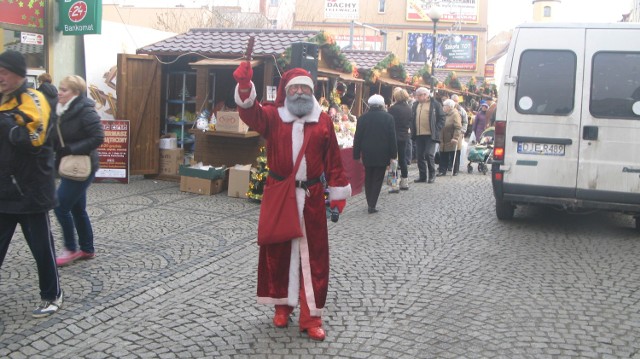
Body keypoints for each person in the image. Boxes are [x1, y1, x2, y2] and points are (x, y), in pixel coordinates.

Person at [233, 63, 351, 341]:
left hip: (310, 198)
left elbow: (333, 157)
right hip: (281, 194)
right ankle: (282, 306)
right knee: (279, 252)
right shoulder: (274, 116)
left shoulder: (322, 120)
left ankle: (312, 317)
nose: (299, 92)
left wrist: (338, 192)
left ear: (311, 92)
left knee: (315, 258)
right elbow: (250, 112)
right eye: (294, 88)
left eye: (304, 88)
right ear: (287, 92)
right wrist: (245, 86)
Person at [0, 50, 63, 318]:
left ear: (18, 74)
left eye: (4, 71)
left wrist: (7, 124)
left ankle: (52, 295)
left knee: (41, 249)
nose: (0, 77)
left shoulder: (34, 99)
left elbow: (34, 140)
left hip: (31, 191)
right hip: (4, 191)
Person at [52, 75, 104, 267]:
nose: (59, 92)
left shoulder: (85, 110)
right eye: (60, 88)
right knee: (76, 208)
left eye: (64, 89)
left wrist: (72, 149)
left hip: (83, 165)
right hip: (70, 163)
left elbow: (98, 137)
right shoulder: (62, 110)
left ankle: (71, 249)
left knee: (59, 205)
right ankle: (87, 249)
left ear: (75, 92)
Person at [353, 94, 398, 212]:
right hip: (382, 152)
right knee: (378, 178)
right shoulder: (388, 118)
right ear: (382, 105)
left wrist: (356, 155)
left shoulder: (362, 118)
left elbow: (357, 137)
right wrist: (393, 154)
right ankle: (372, 204)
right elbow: (392, 138)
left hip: (367, 152)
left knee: (368, 177)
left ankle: (369, 201)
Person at [410, 87, 445, 183]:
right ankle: (422, 176)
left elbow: (442, 118)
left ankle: (432, 175)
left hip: (430, 134)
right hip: (418, 134)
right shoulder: (415, 104)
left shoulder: (435, 104)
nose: (417, 98)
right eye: (416, 96)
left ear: (425, 95)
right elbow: (412, 117)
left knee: (428, 154)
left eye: (418, 96)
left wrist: (436, 129)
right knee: (419, 156)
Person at [387, 87, 412, 190]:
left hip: (394, 136)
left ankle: (393, 184)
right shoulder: (409, 109)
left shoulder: (393, 109)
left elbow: (389, 123)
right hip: (404, 136)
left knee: (393, 159)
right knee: (402, 159)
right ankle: (404, 182)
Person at [437, 99, 462, 176]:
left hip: (452, 137)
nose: (443, 107)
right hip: (443, 138)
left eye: (444, 106)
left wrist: (455, 137)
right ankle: (442, 170)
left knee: (454, 154)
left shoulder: (455, 114)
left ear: (450, 107)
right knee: (443, 154)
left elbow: (458, 127)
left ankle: (455, 170)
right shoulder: (444, 114)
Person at [449, 94, 468, 174]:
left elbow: (465, 122)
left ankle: (455, 168)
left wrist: (462, 131)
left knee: (457, 151)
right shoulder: (448, 108)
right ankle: (448, 165)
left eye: (456, 101)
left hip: (458, 133)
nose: (455, 102)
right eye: (454, 101)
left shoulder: (461, 110)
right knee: (447, 150)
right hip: (448, 133)